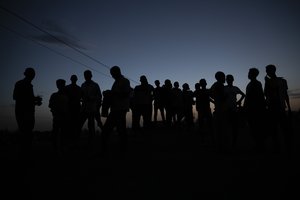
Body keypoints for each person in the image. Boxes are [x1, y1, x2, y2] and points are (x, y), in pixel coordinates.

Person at [13, 67, 42, 161]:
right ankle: (24, 156)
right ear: (30, 75)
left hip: (22, 111)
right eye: (33, 74)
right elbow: (18, 97)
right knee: (27, 134)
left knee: (25, 133)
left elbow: (20, 98)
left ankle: (23, 155)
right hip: (25, 112)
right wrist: (34, 100)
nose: (33, 76)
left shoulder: (22, 84)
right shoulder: (23, 84)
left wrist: (35, 100)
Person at [101, 66, 132, 152]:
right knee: (116, 130)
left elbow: (126, 94)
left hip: (120, 109)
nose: (112, 76)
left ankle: (122, 150)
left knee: (119, 130)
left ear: (117, 72)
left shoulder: (125, 81)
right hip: (115, 109)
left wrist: (112, 93)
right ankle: (117, 149)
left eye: (112, 74)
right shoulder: (116, 82)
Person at [264, 64, 292, 154]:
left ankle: (287, 147)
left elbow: (285, 95)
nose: (267, 72)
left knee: (284, 129)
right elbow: (266, 94)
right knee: (274, 129)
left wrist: (289, 107)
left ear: (273, 70)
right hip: (271, 108)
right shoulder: (267, 82)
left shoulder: (282, 81)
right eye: (267, 71)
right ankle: (277, 147)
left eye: (268, 70)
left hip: (280, 107)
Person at [244, 68, 267, 153]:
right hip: (252, 109)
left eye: (249, 72)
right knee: (254, 128)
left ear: (253, 74)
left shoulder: (256, 84)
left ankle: (260, 146)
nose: (248, 74)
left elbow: (259, 96)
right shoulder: (251, 84)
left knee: (256, 127)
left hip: (255, 109)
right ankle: (259, 145)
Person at [224, 74, 245, 150]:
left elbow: (243, 95)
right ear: (227, 80)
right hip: (226, 110)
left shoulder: (235, 88)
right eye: (228, 79)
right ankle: (229, 143)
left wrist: (239, 101)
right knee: (227, 127)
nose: (229, 80)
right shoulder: (224, 88)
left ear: (232, 80)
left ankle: (234, 143)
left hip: (234, 110)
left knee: (234, 127)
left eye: (230, 79)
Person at [80, 70, 102, 142]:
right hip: (84, 108)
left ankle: (92, 140)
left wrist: (92, 99)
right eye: (85, 75)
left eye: (88, 75)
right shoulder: (83, 85)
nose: (86, 76)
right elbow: (81, 96)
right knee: (80, 123)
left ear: (91, 76)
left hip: (93, 108)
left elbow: (99, 96)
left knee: (91, 124)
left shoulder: (95, 85)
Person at [49, 79, 69, 155]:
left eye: (63, 84)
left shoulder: (66, 96)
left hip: (64, 118)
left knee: (63, 134)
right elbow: (51, 106)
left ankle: (61, 149)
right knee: (55, 134)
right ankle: (55, 149)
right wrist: (55, 113)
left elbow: (68, 107)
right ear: (57, 86)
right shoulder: (54, 95)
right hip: (57, 118)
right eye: (60, 84)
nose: (62, 86)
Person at [210, 71, 226, 152]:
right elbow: (222, 97)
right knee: (221, 129)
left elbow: (210, 94)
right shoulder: (219, 85)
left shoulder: (215, 85)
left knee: (219, 129)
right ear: (220, 77)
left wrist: (214, 100)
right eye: (224, 77)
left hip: (219, 109)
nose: (225, 78)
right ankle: (220, 147)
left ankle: (219, 146)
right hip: (221, 110)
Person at [194, 79, 214, 143]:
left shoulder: (200, 91)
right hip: (203, 109)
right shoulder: (200, 91)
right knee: (205, 124)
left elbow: (210, 97)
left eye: (203, 83)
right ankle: (207, 138)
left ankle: (206, 138)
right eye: (203, 83)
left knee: (205, 124)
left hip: (204, 109)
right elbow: (211, 97)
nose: (203, 84)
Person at [65, 75, 82, 140]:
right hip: (69, 109)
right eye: (73, 78)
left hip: (76, 109)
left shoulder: (79, 88)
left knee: (76, 126)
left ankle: (74, 140)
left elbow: (82, 98)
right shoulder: (67, 88)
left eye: (74, 79)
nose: (74, 80)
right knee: (70, 125)